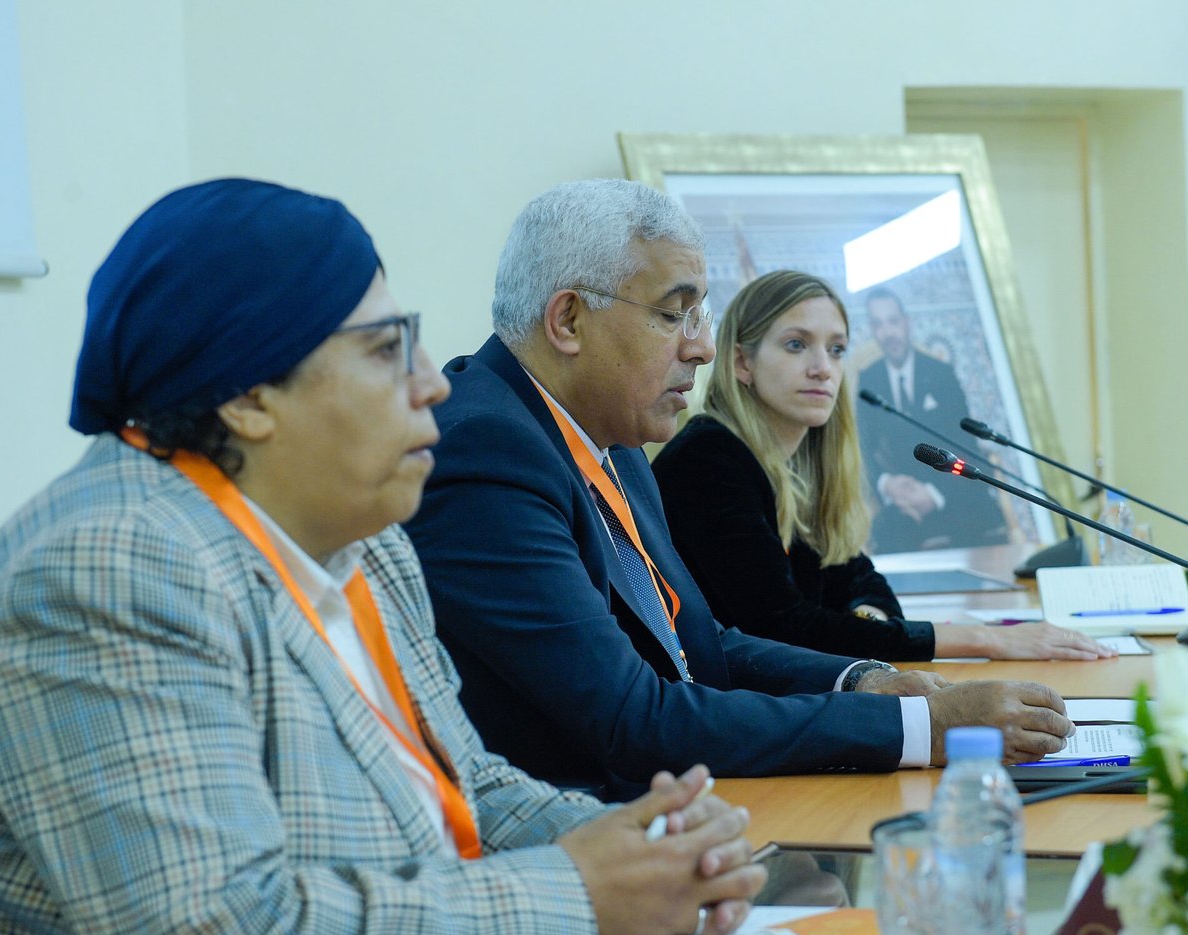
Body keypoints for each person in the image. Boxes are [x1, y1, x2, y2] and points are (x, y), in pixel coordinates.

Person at [0, 179, 763, 935]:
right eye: (385, 349)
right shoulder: (111, 567)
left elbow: (464, 787)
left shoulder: (363, 543)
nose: (432, 382)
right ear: (248, 394)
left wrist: (651, 848)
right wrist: (576, 893)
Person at [403, 180, 1073, 799]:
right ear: (569, 321)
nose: (702, 347)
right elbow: (633, 717)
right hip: (581, 835)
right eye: (675, 314)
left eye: (701, 314)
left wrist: (866, 681)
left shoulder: (616, 442)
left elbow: (701, 643)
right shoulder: (485, 454)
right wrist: (922, 727)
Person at [653, 270, 1111, 664]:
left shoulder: (800, 464)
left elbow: (858, 578)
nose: (822, 368)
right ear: (742, 362)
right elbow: (784, 630)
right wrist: (984, 639)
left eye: (837, 349)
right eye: (797, 345)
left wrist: (867, 621)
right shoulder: (710, 461)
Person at [858, 286, 1010, 553]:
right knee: (887, 538)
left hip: (950, 490)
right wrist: (887, 484)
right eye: (879, 324)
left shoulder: (941, 374)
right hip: (901, 502)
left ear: (907, 323)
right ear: (872, 330)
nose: (888, 332)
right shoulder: (869, 381)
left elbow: (965, 444)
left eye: (893, 321)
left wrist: (933, 493)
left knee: (977, 519)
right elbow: (864, 449)